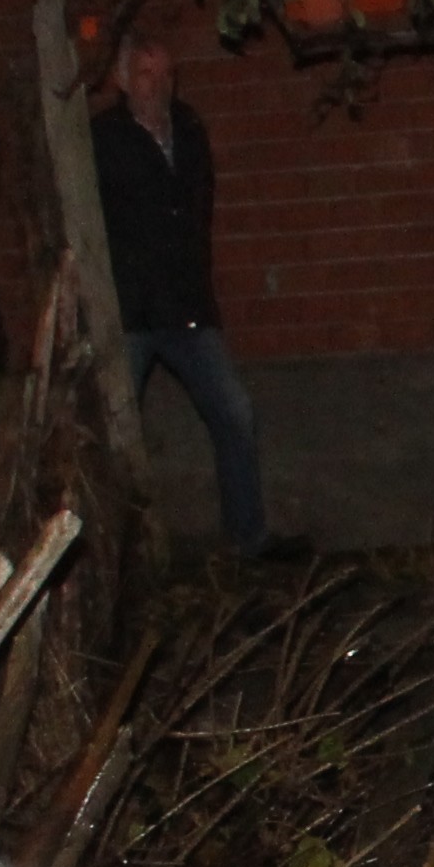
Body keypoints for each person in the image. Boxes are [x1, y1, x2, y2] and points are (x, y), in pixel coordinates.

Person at [90, 30, 276, 554]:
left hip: (187, 306)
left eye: (166, 73)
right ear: (124, 81)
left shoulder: (188, 129)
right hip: (130, 311)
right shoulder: (104, 138)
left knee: (235, 413)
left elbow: (197, 211)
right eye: (146, 74)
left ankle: (248, 538)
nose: (159, 85)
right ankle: (119, 553)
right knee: (116, 430)